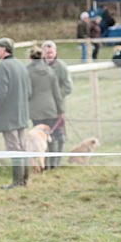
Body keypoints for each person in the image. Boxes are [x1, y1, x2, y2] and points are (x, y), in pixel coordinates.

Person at [0, 38, 31, 188]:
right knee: (22, 146)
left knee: (14, 148)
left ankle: (17, 181)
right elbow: (28, 90)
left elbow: (0, 93)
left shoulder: (3, 67)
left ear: (4, 49)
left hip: (8, 114)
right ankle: (25, 179)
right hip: (21, 112)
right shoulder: (20, 65)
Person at [26, 46, 64, 168]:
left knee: (38, 139)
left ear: (30, 58)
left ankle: (41, 164)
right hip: (50, 108)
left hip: (35, 110)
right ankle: (53, 163)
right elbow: (57, 93)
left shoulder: (27, 71)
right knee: (50, 136)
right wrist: (61, 110)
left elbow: (28, 92)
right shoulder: (50, 70)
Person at [41, 40, 71, 168]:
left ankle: (56, 162)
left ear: (55, 52)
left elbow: (68, 86)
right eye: (47, 53)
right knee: (44, 135)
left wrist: (55, 96)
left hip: (57, 108)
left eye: (51, 52)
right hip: (41, 109)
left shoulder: (61, 67)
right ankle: (45, 163)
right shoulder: (38, 66)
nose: (49, 55)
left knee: (58, 135)